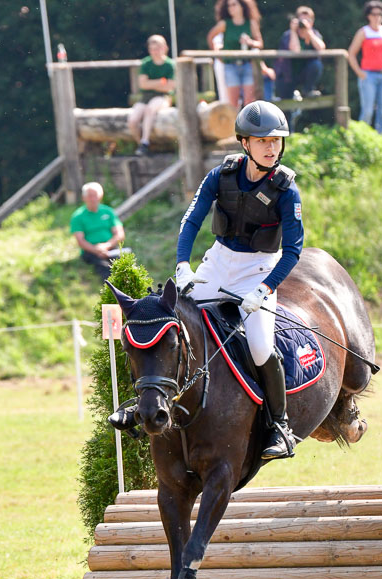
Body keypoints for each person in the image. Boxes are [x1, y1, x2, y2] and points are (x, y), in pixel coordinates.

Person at [110, 102, 303, 460]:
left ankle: (280, 426)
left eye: (276, 140)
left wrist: (263, 290)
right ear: (244, 143)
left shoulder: (286, 190)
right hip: (217, 264)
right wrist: (183, 265)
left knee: (260, 346)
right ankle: (142, 403)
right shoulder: (220, 175)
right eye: (263, 141)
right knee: (174, 326)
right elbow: (191, 221)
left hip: (260, 270)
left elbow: (292, 251)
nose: (272, 148)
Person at [348, 0, 382, 135]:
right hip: (368, 75)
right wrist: (359, 73)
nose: (377, 17)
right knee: (368, 110)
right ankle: (362, 138)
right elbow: (351, 54)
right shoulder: (363, 32)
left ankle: (381, 140)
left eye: (380, 14)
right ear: (368, 16)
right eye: (374, 14)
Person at [207, 0, 263, 107]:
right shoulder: (224, 24)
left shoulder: (251, 23)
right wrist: (217, 54)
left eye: (234, 5)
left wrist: (249, 42)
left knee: (249, 102)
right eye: (229, 6)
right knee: (233, 103)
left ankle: (247, 124)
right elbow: (211, 37)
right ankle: (234, 124)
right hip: (230, 65)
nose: (231, 8)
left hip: (247, 65)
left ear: (242, 6)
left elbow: (260, 43)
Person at [128, 35, 176, 157]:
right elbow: (143, 85)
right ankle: (142, 145)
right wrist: (161, 81)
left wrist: (151, 83)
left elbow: (170, 87)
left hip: (163, 97)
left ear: (165, 48)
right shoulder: (146, 63)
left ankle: (145, 141)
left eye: (158, 48)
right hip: (145, 97)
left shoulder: (170, 64)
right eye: (153, 49)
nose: (155, 52)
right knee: (133, 120)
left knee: (150, 110)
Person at [70, 183, 128, 279]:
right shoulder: (78, 216)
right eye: (90, 196)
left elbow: (120, 234)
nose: (93, 199)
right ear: (83, 198)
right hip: (90, 250)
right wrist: (96, 250)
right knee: (104, 267)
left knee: (124, 265)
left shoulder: (108, 212)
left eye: (95, 195)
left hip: (110, 248)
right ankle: (111, 289)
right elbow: (80, 241)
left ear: (100, 196)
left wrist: (106, 246)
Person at [274, 6, 326, 101]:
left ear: (312, 21)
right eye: (302, 20)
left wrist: (309, 33)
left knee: (316, 64)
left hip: (305, 74)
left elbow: (321, 48)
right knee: (286, 105)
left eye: (308, 20)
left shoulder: (314, 33)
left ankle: (307, 90)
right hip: (288, 76)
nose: (304, 22)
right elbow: (295, 50)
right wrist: (294, 31)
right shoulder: (288, 35)